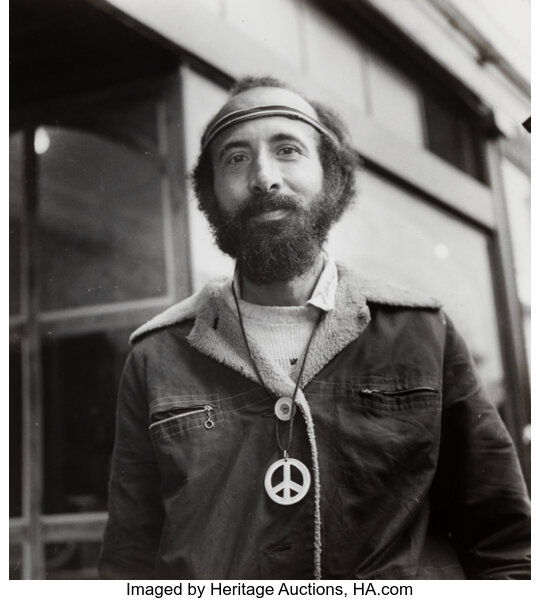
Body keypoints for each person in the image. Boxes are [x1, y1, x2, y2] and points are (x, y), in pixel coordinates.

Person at [98, 76, 531, 580]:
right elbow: (129, 563)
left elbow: (505, 544)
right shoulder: (156, 356)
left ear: (333, 179)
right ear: (209, 195)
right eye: (235, 158)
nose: (264, 178)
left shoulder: (422, 333)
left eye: (288, 150)